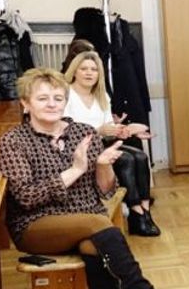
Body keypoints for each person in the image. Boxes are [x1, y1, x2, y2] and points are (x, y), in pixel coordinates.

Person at [0, 68, 181, 289]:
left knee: (96, 246)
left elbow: (106, 191)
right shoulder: (13, 141)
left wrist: (103, 165)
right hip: (36, 225)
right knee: (100, 225)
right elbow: (27, 196)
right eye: (42, 98)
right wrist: (75, 170)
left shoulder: (84, 132)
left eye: (58, 98)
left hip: (89, 221)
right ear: (25, 103)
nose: (51, 104)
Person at [65, 51, 157, 236]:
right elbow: (67, 130)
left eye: (94, 70)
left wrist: (125, 130)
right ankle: (136, 213)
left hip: (102, 145)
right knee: (126, 160)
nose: (89, 73)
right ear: (74, 71)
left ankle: (145, 210)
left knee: (140, 157)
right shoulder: (66, 95)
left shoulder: (102, 96)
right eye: (84, 69)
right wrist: (99, 131)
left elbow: (108, 126)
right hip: (79, 149)